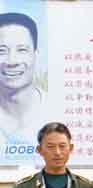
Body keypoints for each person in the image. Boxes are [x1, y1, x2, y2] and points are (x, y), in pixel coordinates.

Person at [0, 12, 47, 150]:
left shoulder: (56, 109)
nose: (11, 61)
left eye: (21, 50)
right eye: (1, 51)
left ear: (36, 55)